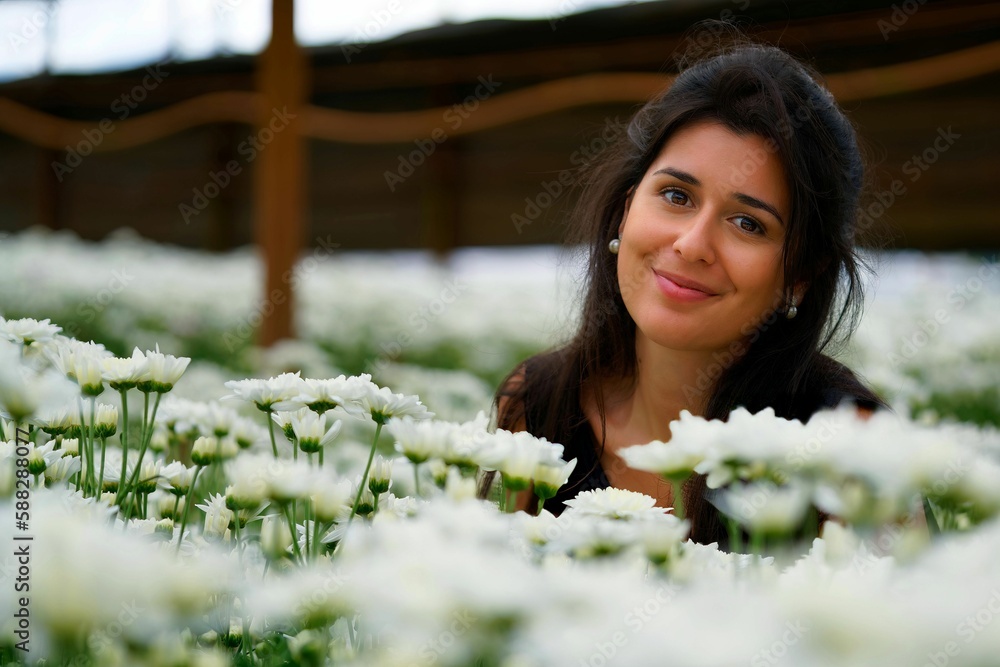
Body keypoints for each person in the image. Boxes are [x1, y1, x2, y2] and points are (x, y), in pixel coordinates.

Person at [486, 38, 887, 547]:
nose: (693, 244)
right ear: (627, 207)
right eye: (676, 195)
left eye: (748, 223)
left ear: (801, 274)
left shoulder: (851, 447)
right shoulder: (537, 405)